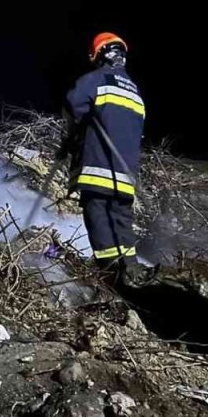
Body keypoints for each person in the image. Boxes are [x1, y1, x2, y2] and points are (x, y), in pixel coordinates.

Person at [59, 32, 146, 283]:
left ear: (100, 55)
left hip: (99, 167)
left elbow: (73, 104)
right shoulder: (135, 92)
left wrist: (70, 138)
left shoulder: (97, 79)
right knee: (121, 221)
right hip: (126, 174)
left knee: (98, 217)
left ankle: (110, 274)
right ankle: (131, 269)